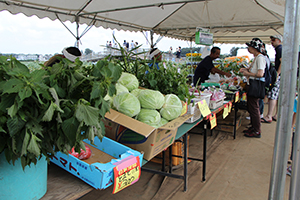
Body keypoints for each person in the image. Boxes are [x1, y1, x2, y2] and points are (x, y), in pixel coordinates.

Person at [240, 38, 266, 138]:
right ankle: (254, 127)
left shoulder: (260, 58)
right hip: (252, 85)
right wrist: (246, 69)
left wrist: (247, 73)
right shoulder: (256, 57)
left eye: (249, 47)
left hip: (255, 86)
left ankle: (257, 131)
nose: (248, 48)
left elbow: (260, 74)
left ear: (255, 48)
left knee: (254, 108)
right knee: (251, 107)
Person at [262, 35, 282, 123]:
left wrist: (277, 73)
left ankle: (269, 116)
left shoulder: (280, 49)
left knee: (273, 95)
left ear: (279, 41)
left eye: (273, 40)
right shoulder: (280, 49)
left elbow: (283, 61)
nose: (272, 42)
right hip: (282, 75)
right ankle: (276, 115)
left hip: (280, 75)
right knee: (277, 95)